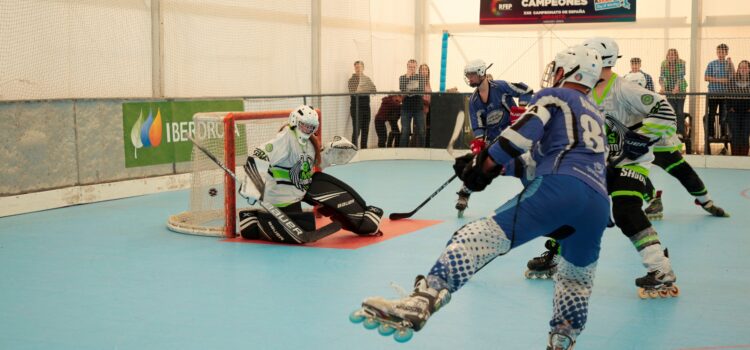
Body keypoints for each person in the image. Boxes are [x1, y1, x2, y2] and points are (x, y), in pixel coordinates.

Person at [351, 45, 608, 349]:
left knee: (476, 236)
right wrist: (492, 168)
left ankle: (424, 297)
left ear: (567, 71)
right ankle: (563, 337)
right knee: (575, 280)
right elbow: (532, 164)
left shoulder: (556, 96)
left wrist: (486, 162)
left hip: (561, 187)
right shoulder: (595, 114)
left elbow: (522, 134)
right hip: (598, 205)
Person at [527, 37, 686, 297]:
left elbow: (666, 111)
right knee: (569, 206)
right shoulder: (585, 92)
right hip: (598, 163)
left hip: (631, 163)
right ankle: (556, 256)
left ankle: (660, 268)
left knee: (626, 210)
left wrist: (642, 136)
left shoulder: (624, 89)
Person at [237, 105, 383, 243]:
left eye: (311, 126)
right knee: (304, 225)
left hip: (300, 191)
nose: (307, 129)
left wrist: (328, 155)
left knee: (324, 182)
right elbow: (258, 155)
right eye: (304, 125)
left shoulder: (309, 143)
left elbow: (308, 167)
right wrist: (252, 186)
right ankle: (252, 223)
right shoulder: (286, 137)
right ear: (295, 121)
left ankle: (362, 220)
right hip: (282, 197)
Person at [624, 70, 731, 221]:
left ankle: (654, 201)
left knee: (633, 172)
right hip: (664, 147)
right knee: (684, 172)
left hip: (647, 147)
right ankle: (706, 202)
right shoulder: (656, 99)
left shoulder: (626, 102)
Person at [454, 59, 533, 217]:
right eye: (467, 75)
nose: (469, 78)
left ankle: (534, 195)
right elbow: (478, 125)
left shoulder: (501, 87)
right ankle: (464, 194)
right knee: (477, 166)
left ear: (481, 73)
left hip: (512, 135)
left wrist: (521, 109)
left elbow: (526, 90)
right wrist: (479, 141)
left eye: (471, 75)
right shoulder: (474, 100)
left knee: (527, 165)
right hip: (493, 138)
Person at [704, 43, 735, 154]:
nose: (720, 54)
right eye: (719, 52)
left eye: (723, 52)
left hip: (724, 95)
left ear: (726, 53)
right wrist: (720, 80)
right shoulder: (712, 64)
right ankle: (711, 135)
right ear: (717, 52)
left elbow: (731, 78)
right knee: (711, 115)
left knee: (723, 116)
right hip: (712, 94)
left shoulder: (729, 64)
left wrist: (731, 65)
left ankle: (723, 134)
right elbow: (706, 77)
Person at [659, 49, 688, 141]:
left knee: (679, 111)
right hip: (669, 90)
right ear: (667, 56)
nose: (671, 56)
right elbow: (662, 76)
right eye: (670, 55)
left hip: (680, 90)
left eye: (673, 55)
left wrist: (676, 87)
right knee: (672, 111)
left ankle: (680, 132)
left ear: (676, 56)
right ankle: (672, 132)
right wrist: (663, 87)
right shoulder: (664, 64)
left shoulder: (681, 63)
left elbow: (680, 76)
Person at [347, 60, 377, 149]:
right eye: (356, 67)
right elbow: (353, 92)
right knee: (357, 130)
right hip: (356, 108)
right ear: (354, 68)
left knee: (365, 130)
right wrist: (365, 90)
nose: (358, 69)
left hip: (366, 108)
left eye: (360, 67)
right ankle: (354, 149)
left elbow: (374, 90)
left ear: (363, 68)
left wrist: (362, 90)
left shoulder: (367, 79)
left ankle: (364, 149)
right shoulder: (351, 80)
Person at [399, 59, 426, 147]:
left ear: (416, 67)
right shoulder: (402, 77)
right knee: (405, 131)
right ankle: (402, 152)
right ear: (407, 67)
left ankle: (423, 151)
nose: (412, 69)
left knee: (421, 131)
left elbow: (421, 90)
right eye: (410, 67)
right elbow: (402, 89)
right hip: (406, 109)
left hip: (418, 109)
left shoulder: (421, 78)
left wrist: (408, 91)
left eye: (414, 67)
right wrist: (407, 78)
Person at [727, 60, 750, 156]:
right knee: (735, 134)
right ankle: (735, 157)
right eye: (741, 67)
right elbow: (727, 96)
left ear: (749, 69)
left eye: (745, 67)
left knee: (745, 134)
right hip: (734, 113)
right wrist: (730, 108)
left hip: (748, 113)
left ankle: (744, 157)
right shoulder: (732, 81)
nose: (743, 69)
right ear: (738, 69)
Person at [419, 64, 432, 146]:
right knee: (421, 130)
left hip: (427, 110)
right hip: (420, 109)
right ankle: (421, 148)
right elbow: (418, 96)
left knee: (424, 129)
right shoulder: (418, 82)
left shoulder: (428, 83)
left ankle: (424, 146)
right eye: (422, 69)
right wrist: (426, 102)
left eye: (426, 69)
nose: (424, 71)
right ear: (419, 71)